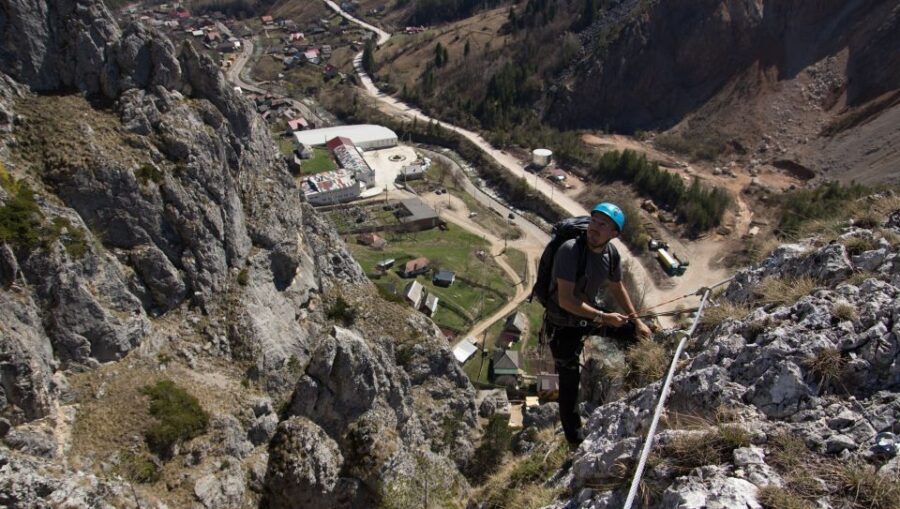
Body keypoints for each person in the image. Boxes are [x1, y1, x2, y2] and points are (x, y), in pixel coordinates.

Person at [544, 202, 651, 448]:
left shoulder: (611, 254)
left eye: (603, 224)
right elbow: (566, 300)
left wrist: (636, 321)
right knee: (569, 386)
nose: (594, 227)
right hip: (563, 325)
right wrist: (604, 318)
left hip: (586, 316)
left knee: (633, 334)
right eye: (594, 221)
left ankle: (638, 380)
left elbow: (617, 286)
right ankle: (575, 442)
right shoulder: (570, 251)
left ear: (614, 234)